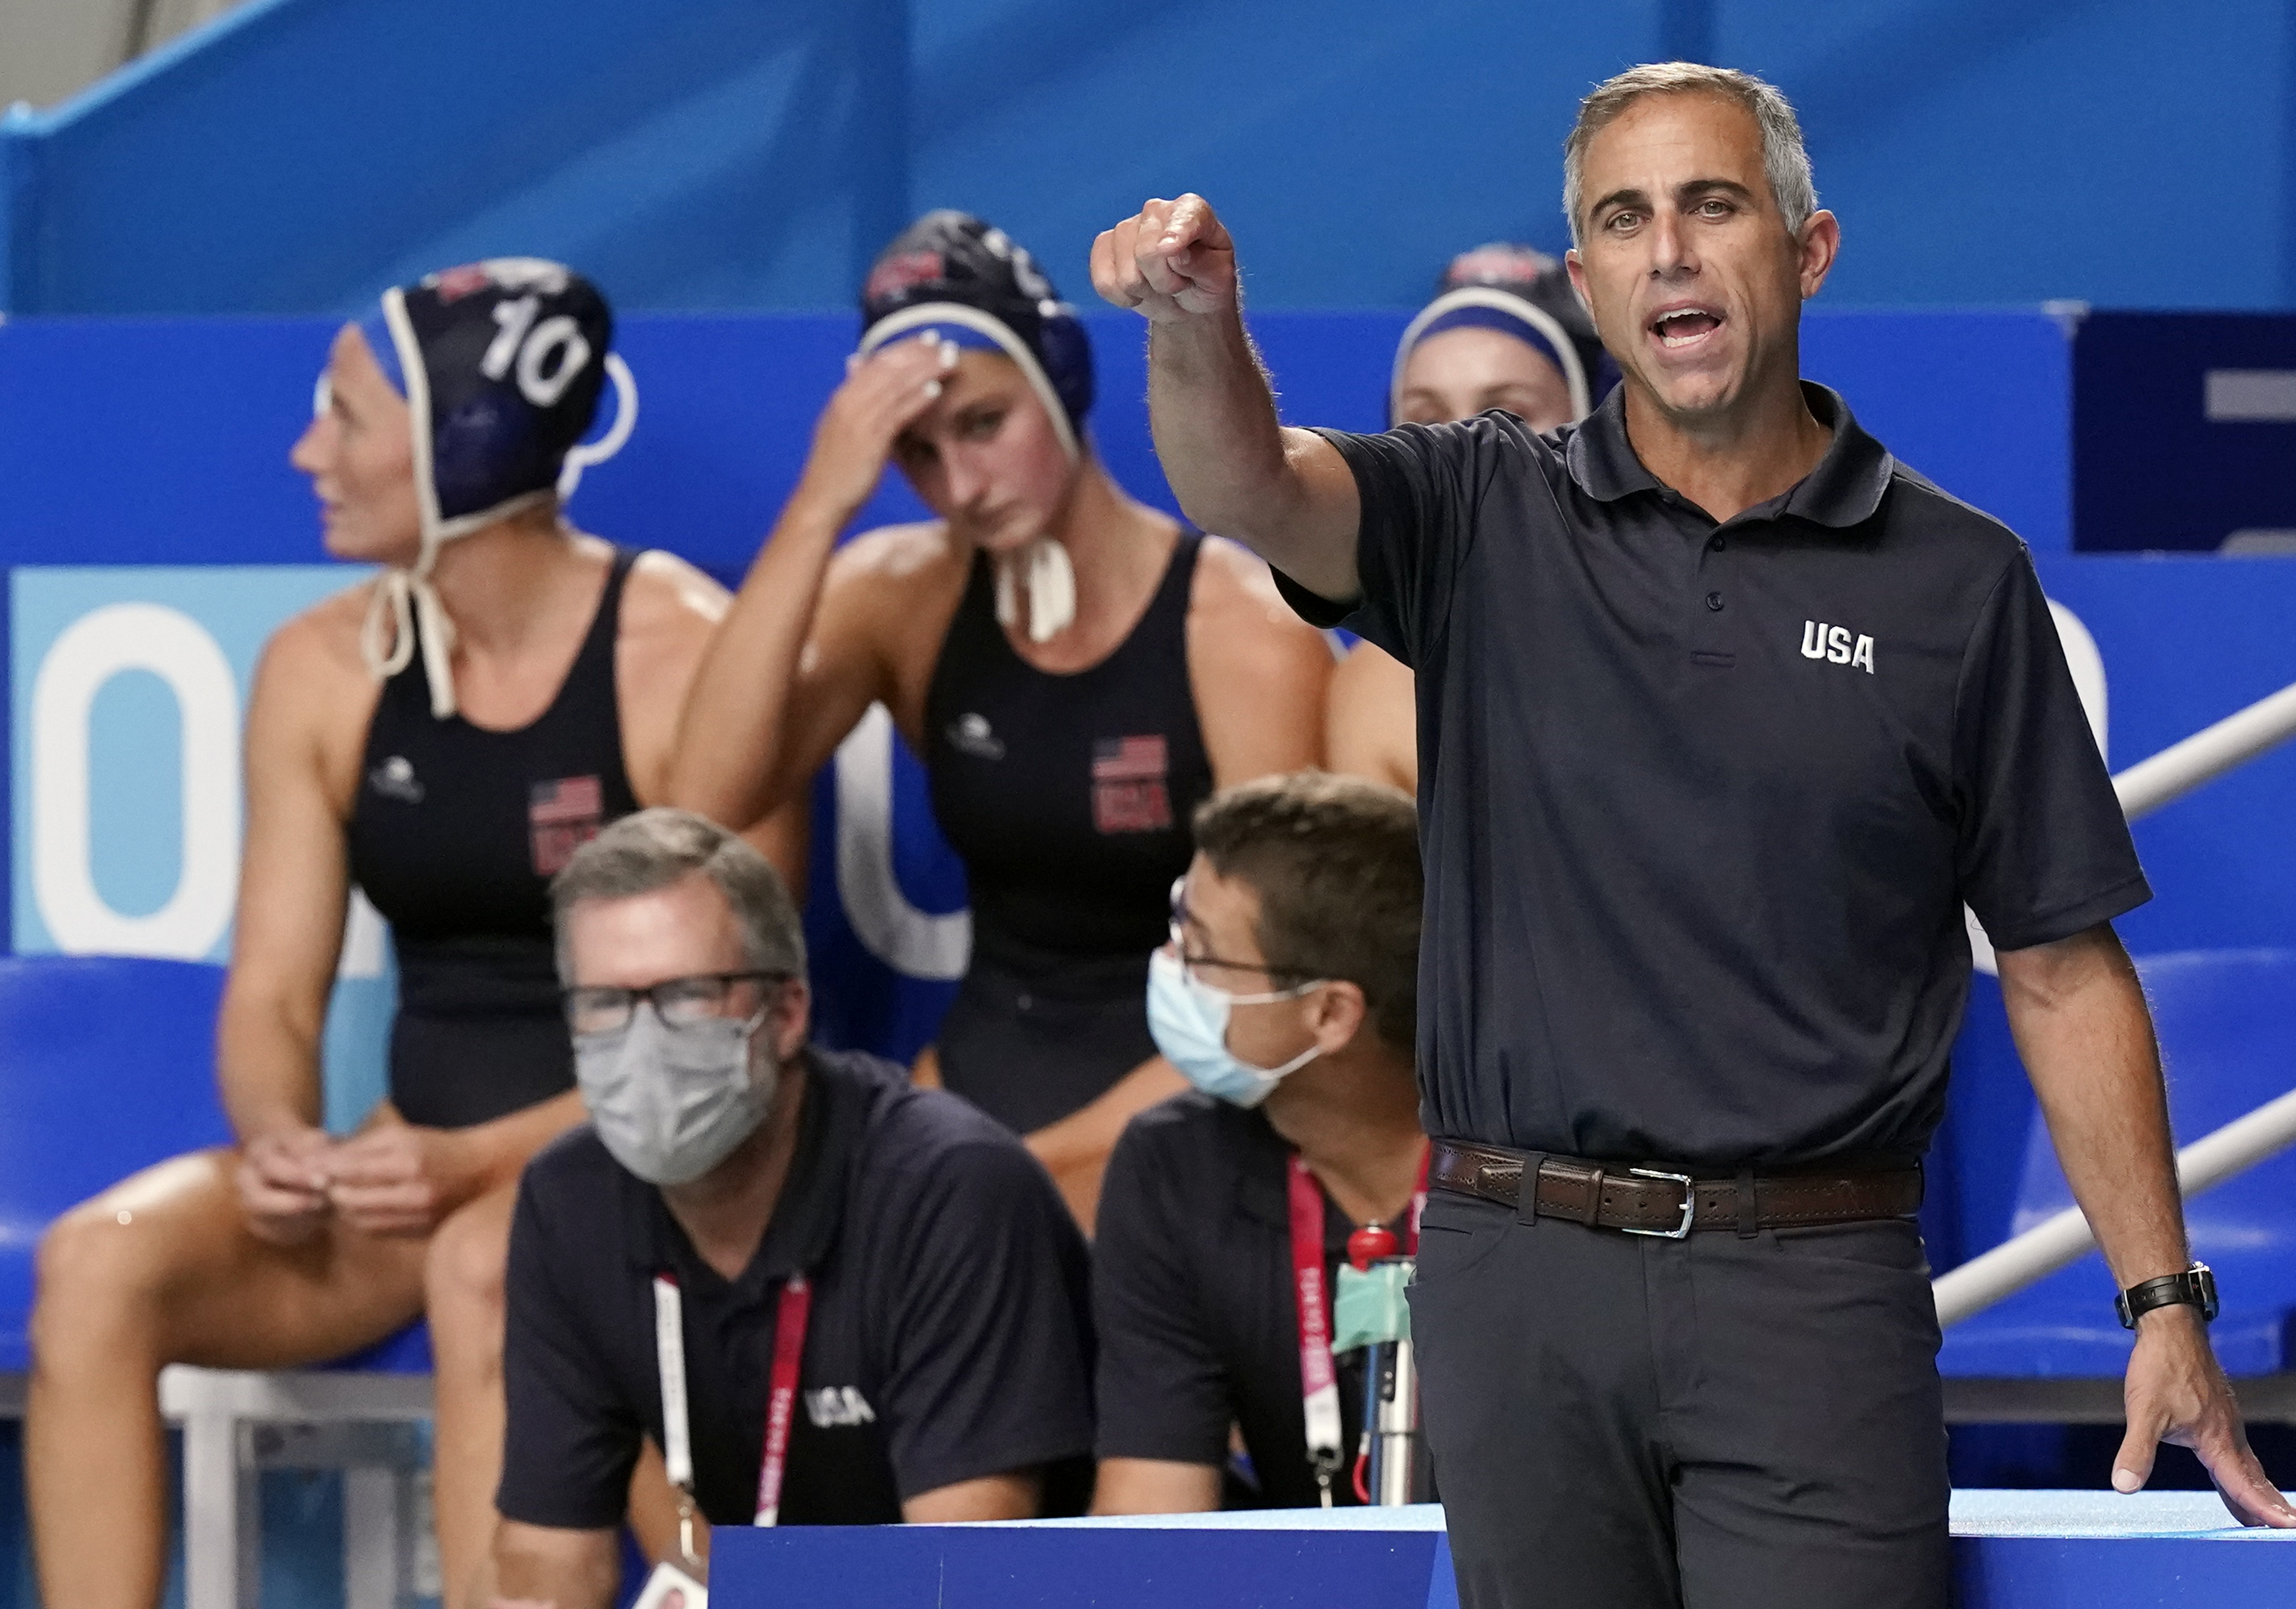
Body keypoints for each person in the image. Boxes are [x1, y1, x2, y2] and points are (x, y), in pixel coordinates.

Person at [1094, 61, 2296, 1609]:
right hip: (1515, 1272)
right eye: (1622, 219)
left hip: (1810, 1291)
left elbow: (2061, 964)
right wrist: (1194, 331)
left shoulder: (1957, 585)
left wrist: (2161, 1305)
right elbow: (1250, 486)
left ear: (1806, 251)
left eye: (1709, 205)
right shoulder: (1475, 511)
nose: (1666, 249)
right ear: (1588, 284)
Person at [27, 258, 797, 1609]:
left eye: (344, 412)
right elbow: (272, 993)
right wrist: (280, 1138)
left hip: (648, 1180)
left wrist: (469, 1164)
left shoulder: (682, 653)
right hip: (412, 1180)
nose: (306, 449)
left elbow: (727, 1037)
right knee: (95, 1263)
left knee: (491, 1255)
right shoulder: (321, 667)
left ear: (464, 441)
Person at [671, 210, 1330, 1229]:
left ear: (1059, 381)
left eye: (982, 424)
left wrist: (1022, 1169)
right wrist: (819, 504)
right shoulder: (907, 594)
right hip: (979, 1089)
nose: (962, 486)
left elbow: (1281, 981)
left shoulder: (1232, 626)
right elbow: (705, 805)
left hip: (1184, 1102)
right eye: (918, 455)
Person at [489, 809, 1095, 1608]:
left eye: (688, 993)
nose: (642, 1042)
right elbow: (543, 1565)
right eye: (603, 1003)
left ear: (787, 1012)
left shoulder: (948, 1189)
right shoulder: (569, 1204)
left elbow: (962, 1580)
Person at [1090, 771, 1428, 1514]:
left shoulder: (1523, 1176)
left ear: (1329, 1014)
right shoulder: (1171, 1169)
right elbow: (1149, 1533)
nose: (1170, 967)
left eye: (1201, 952)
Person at [1328, 243, 1611, 795]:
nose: (1459, 452)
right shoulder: (1379, 686)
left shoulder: (1694, 629)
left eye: (1506, 416)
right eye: (1426, 418)